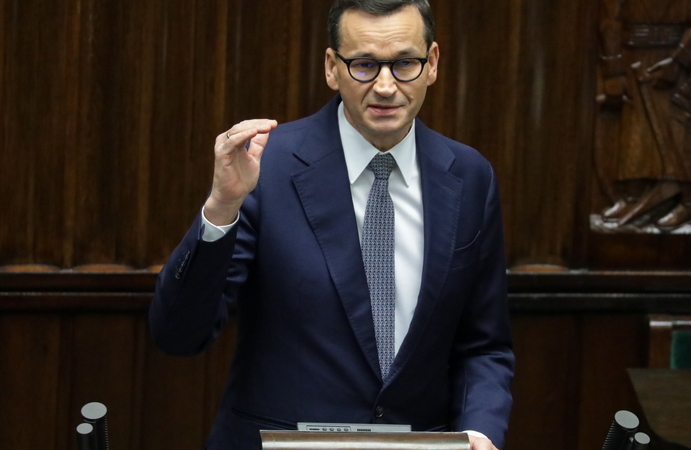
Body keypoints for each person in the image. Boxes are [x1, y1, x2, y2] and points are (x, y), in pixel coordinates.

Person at [149, 1, 514, 449]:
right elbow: (178, 334)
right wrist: (222, 206)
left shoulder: (470, 177)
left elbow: (484, 344)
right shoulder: (266, 168)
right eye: (364, 65)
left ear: (432, 63)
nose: (385, 87)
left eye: (404, 63)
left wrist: (479, 430)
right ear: (331, 67)